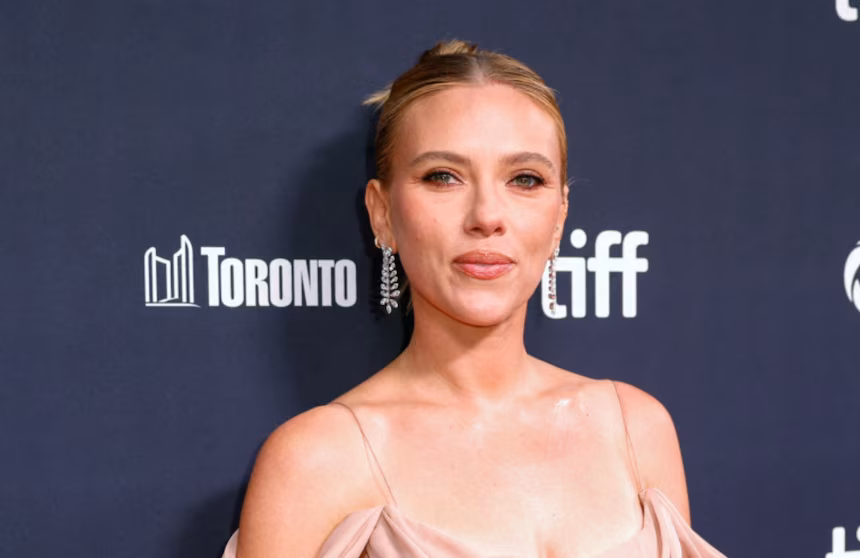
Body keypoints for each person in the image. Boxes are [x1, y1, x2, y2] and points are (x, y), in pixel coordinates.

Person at [222, 39, 726, 558]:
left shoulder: (637, 429)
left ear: (559, 217)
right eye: (443, 177)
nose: (487, 215)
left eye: (525, 179)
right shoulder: (316, 460)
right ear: (382, 214)